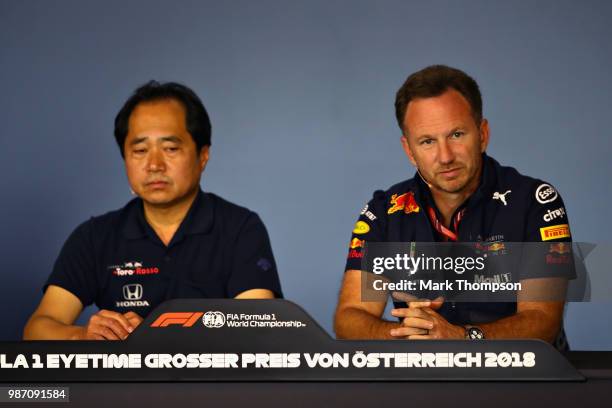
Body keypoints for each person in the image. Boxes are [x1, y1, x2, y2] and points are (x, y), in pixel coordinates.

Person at [24, 81, 283, 340]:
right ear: (125, 158)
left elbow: (258, 328)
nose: (154, 165)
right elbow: (38, 328)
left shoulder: (240, 228)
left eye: (170, 148)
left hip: (212, 381)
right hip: (122, 382)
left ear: (203, 155)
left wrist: (157, 336)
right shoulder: (95, 237)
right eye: (139, 150)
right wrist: (83, 336)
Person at [334, 65, 572, 346]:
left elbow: (544, 321)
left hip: (522, 383)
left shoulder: (535, 202)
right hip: (425, 382)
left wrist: (462, 337)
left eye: (456, 135)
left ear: (482, 134)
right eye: (427, 141)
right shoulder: (384, 213)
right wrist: (407, 335)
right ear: (409, 150)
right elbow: (351, 316)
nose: (444, 156)